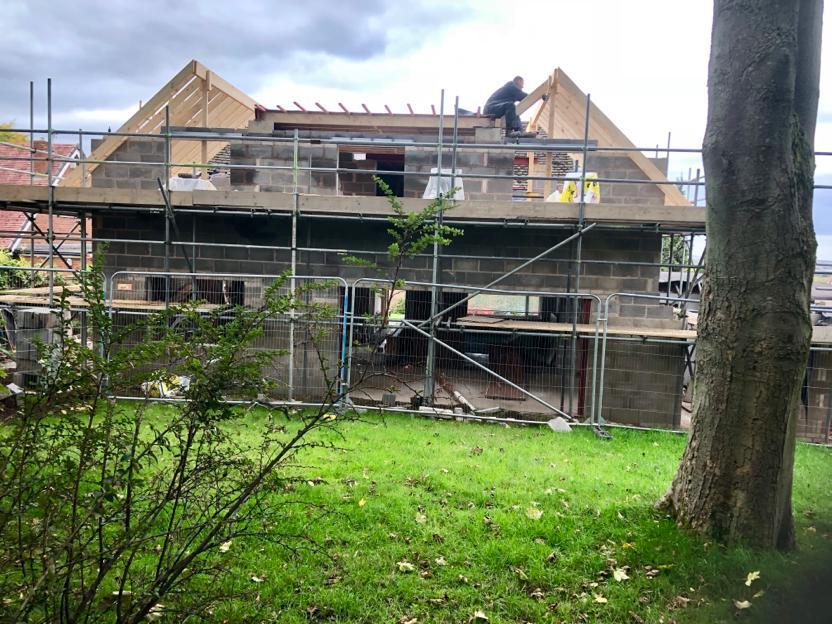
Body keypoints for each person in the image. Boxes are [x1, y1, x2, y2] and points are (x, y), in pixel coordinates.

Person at [483, 76, 547, 137]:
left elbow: (523, 99)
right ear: (517, 83)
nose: (521, 89)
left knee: (514, 111)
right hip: (490, 109)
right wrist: (541, 95)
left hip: (495, 108)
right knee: (510, 105)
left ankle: (520, 131)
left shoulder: (512, 90)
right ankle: (510, 131)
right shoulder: (511, 87)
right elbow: (526, 97)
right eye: (521, 87)